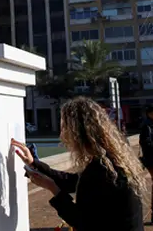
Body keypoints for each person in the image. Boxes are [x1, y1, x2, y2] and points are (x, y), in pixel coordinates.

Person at [12, 97, 145, 230]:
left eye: (65, 129)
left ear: (77, 133)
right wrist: (34, 163)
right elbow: (74, 181)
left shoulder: (101, 169)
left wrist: (54, 189)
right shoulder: (111, 160)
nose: (62, 136)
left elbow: (82, 221)